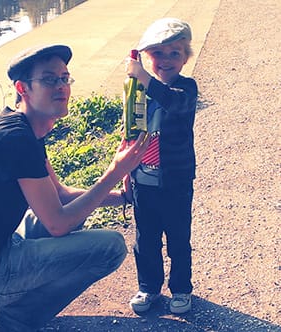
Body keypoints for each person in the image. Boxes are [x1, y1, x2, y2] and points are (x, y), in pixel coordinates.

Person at [0, 44, 149, 331]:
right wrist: (114, 172)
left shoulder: (21, 127)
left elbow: (59, 195)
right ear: (23, 88)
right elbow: (58, 224)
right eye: (49, 79)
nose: (61, 86)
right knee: (110, 247)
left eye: (64, 78)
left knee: (78, 212)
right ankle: (13, 321)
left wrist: (122, 197)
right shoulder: (16, 139)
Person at [123, 18, 198, 314]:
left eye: (174, 53)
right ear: (147, 57)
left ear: (185, 58)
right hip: (144, 179)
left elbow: (173, 103)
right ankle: (148, 286)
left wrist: (144, 77)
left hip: (176, 180)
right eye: (158, 53)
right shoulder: (137, 91)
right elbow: (129, 130)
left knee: (179, 237)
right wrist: (127, 173)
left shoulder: (185, 90)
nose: (166, 60)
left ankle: (181, 288)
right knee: (146, 238)